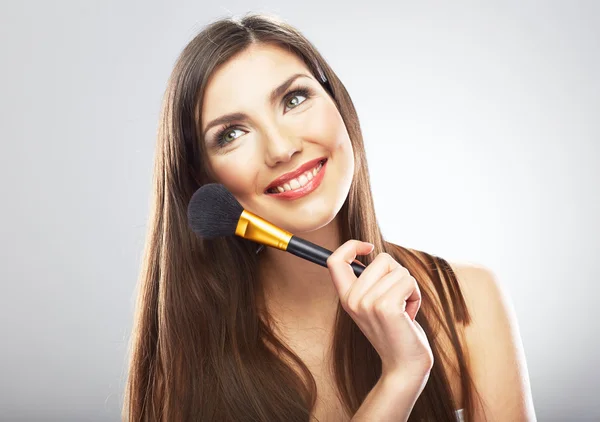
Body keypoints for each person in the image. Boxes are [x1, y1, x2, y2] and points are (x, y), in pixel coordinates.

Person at [123, 12, 536, 422]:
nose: (281, 148)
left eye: (294, 99)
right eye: (232, 133)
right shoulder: (186, 356)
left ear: (337, 101)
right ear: (204, 179)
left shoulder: (468, 299)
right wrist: (401, 377)